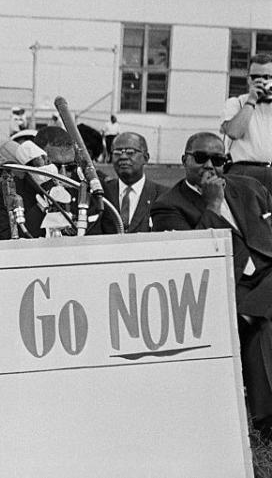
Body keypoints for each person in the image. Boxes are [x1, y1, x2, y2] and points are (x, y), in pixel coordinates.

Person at [151, 132, 272, 433]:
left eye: (218, 160)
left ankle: (249, 315)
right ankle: (266, 421)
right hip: (225, 286)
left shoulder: (250, 187)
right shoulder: (168, 205)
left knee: (261, 313)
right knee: (266, 326)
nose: (209, 166)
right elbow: (194, 260)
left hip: (265, 275)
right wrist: (213, 205)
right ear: (185, 160)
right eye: (201, 158)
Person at [221, 53, 272, 194]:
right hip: (243, 170)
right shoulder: (235, 103)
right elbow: (234, 132)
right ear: (248, 79)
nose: (261, 81)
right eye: (255, 77)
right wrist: (252, 100)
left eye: (267, 77)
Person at [100, 131, 167, 233]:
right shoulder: (101, 193)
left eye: (130, 152)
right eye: (117, 153)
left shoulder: (163, 196)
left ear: (146, 158)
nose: (123, 157)